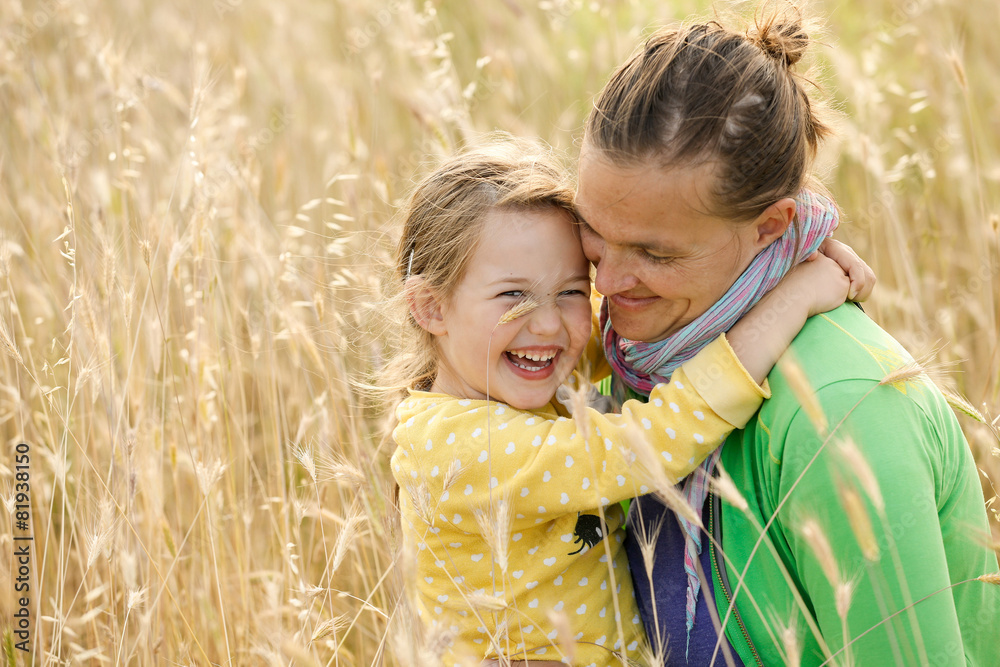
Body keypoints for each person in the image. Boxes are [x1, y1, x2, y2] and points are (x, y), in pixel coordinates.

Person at [574, 9, 1000, 667]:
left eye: (653, 253)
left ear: (773, 227)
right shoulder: (626, 351)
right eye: (592, 233)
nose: (607, 277)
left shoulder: (844, 413)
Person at [386, 137, 870, 666]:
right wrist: (794, 298)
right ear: (430, 307)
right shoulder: (453, 446)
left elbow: (661, 326)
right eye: (514, 296)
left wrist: (798, 247)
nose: (548, 324)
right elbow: (654, 443)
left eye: (571, 291)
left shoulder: (515, 373)